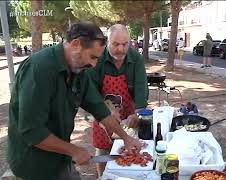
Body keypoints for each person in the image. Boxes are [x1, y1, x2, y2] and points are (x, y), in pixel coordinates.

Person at [7, 22, 143, 180]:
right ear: (76, 44)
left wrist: (126, 138)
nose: (93, 64)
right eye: (92, 57)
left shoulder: (78, 70)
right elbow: (32, 131)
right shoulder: (38, 70)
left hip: (61, 157)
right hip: (34, 164)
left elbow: (99, 108)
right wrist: (73, 150)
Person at [86, 24, 148, 177]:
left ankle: (128, 175)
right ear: (107, 42)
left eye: (125, 44)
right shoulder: (97, 58)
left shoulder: (136, 58)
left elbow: (141, 88)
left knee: (129, 149)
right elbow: (90, 90)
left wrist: (137, 114)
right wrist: (105, 111)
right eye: (115, 44)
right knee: (103, 151)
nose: (120, 49)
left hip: (128, 112)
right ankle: (103, 176)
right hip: (101, 110)